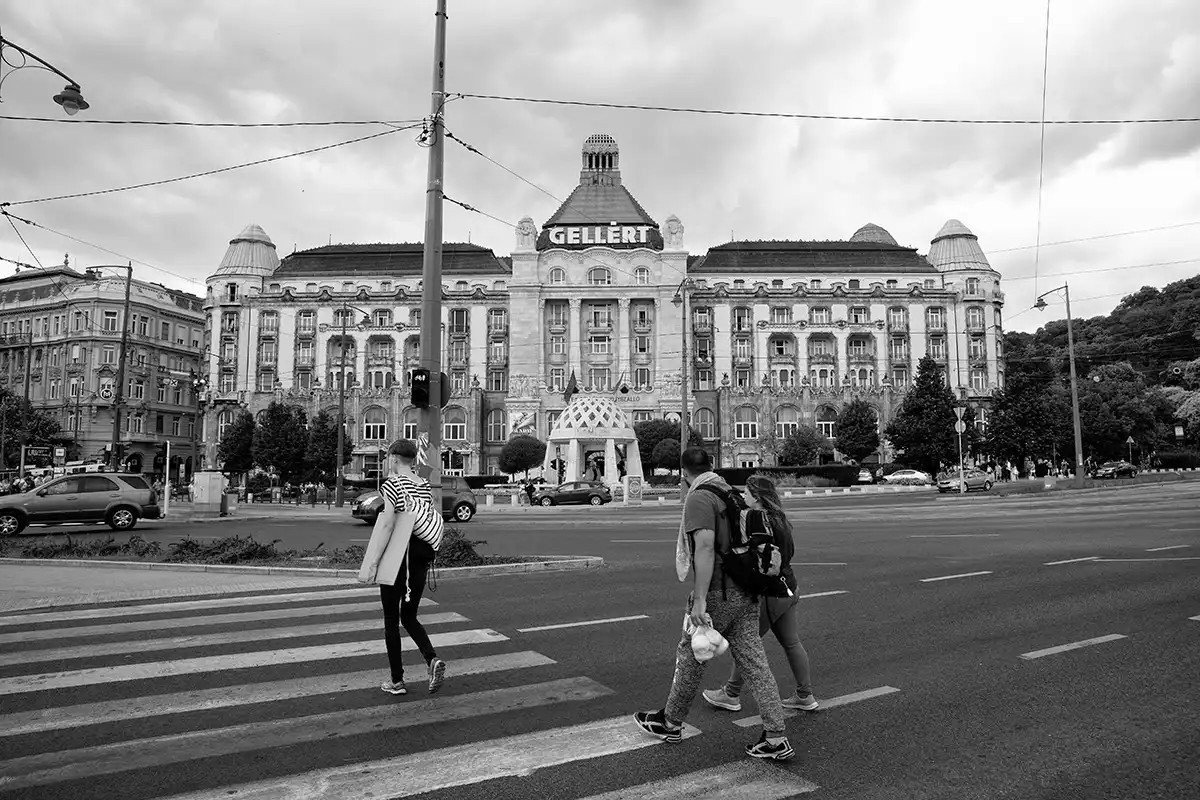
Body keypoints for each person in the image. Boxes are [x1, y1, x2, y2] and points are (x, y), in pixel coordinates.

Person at [634, 447, 793, 760]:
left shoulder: (699, 498)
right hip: (748, 589)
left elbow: (705, 549)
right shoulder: (728, 490)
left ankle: (671, 722)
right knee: (754, 663)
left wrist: (700, 599)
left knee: (691, 652)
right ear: (711, 465)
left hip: (721, 591)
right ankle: (776, 737)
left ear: (683, 474)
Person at [702, 475, 818, 714]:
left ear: (756, 497)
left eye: (747, 493)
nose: (744, 497)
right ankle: (805, 695)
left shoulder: (758, 521)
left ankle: (731, 694)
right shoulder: (780, 519)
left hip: (771, 593)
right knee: (792, 642)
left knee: (747, 644)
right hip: (789, 588)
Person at [367, 439, 446, 696]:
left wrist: (374, 562)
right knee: (409, 616)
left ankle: (397, 681)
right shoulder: (423, 484)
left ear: (393, 458)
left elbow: (388, 524)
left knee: (391, 619)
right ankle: (431, 659)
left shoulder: (392, 484)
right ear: (413, 460)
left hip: (399, 557)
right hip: (421, 559)